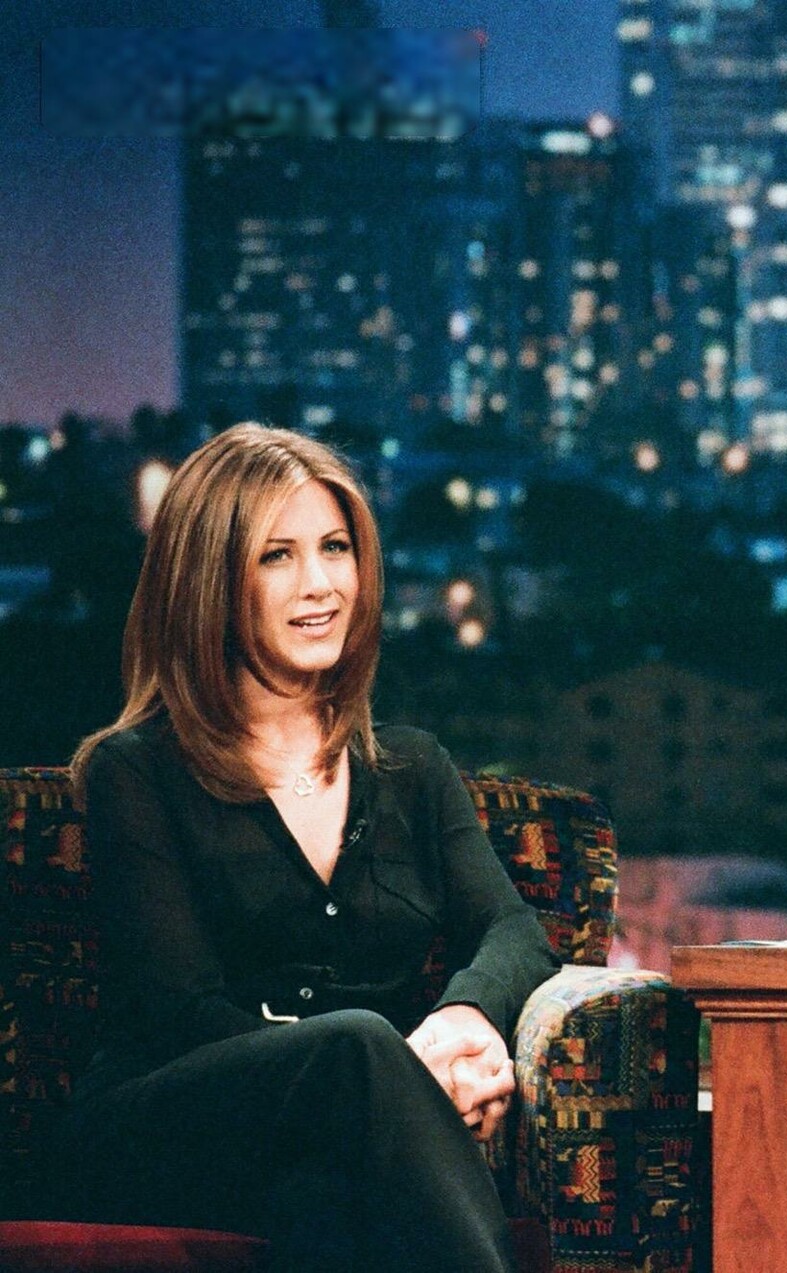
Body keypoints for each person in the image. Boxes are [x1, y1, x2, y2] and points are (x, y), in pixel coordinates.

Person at [46, 425, 558, 1270]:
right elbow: (182, 1011)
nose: (320, 583)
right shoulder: (134, 771)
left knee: (326, 1205)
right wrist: (398, 1075)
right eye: (277, 556)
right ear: (210, 581)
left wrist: (462, 1021)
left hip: (342, 1149)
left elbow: (512, 929)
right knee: (356, 1048)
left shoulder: (413, 770)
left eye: (335, 547)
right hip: (167, 1132)